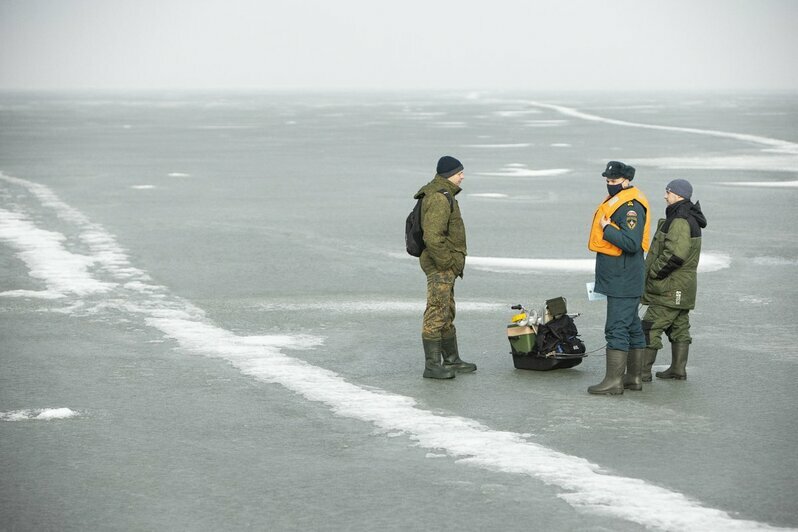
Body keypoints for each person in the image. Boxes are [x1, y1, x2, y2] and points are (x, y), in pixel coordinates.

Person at [587, 161, 651, 395]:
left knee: (616, 328)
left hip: (624, 279)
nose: (610, 185)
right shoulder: (621, 202)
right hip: (622, 277)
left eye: (614, 181)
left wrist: (607, 229)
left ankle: (614, 381)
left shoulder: (630, 207)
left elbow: (632, 243)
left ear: (626, 181)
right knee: (633, 326)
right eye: (607, 181)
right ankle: (633, 378)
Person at [414, 156, 476, 379]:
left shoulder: (444, 194)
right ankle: (432, 366)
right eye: (459, 173)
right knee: (436, 311)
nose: (462, 176)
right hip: (440, 264)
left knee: (446, 310)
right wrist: (447, 263)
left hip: (445, 264)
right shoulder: (440, 198)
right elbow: (432, 237)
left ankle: (451, 360)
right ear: (450, 174)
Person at [640, 179, 707, 381]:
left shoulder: (680, 219)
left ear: (678, 195)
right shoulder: (686, 216)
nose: (665, 196)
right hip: (683, 286)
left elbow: (676, 254)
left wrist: (655, 273)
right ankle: (678, 369)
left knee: (650, 326)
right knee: (679, 326)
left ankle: (641, 372)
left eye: (667, 192)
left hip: (671, 286)